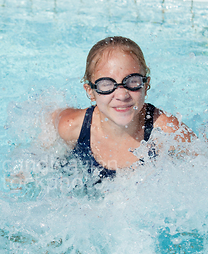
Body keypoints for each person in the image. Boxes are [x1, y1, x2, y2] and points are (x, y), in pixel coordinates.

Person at [55, 36, 194, 180]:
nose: (122, 95)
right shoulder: (72, 127)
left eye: (132, 81)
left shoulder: (167, 132)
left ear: (146, 86)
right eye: (106, 84)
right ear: (90, 91)